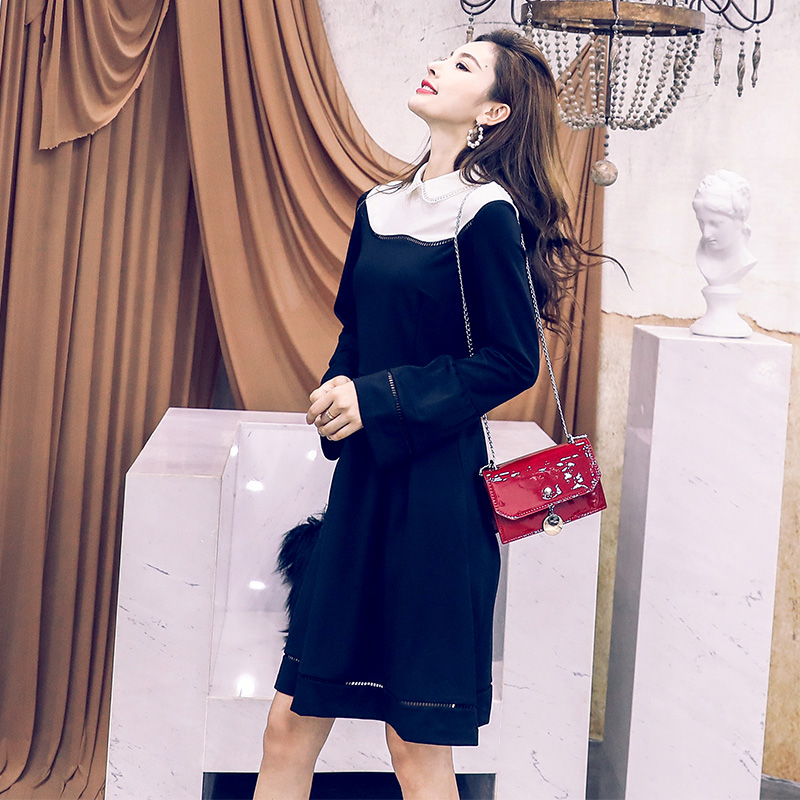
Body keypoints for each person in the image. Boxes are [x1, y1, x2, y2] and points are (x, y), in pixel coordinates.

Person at [254, 29, 592, 800]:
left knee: (416, 749)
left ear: (493, 112)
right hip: (362, 494)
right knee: (286, 727)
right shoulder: (378, 206)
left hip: (438, 504)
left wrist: (374, 399)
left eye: (464, 65)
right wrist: (337, 390)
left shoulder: (487, 212)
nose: (439, 65)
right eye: (446, 55)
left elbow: (511, 359)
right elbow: (356, 330)